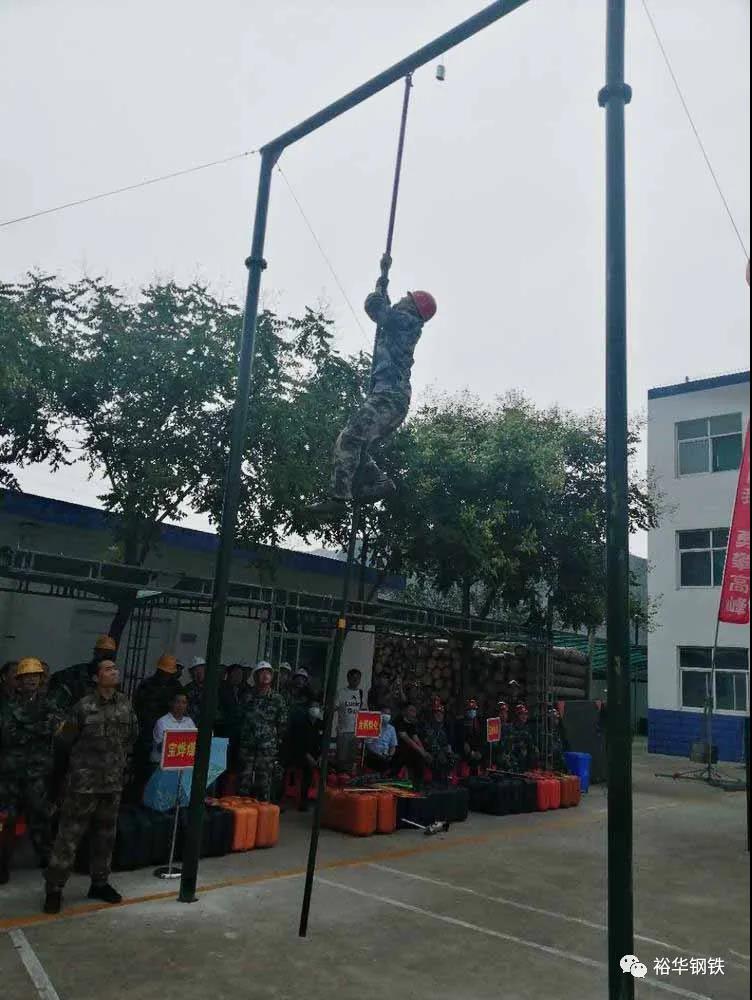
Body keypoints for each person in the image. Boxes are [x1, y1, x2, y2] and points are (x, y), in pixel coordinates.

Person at [308, 266, 437, 516]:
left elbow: (375, 308)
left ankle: (338, 499)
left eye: (406, 299)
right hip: (392, 399)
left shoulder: (404, 321)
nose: (400, 300)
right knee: (358, 443)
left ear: (412, 307)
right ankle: (379, 481)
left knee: (349, 438)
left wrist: (379, 287)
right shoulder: (403, 323)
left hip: (388, 397)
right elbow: (384, 310)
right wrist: (382, 279)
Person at [44, 658, 138, 914]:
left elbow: (132, 736)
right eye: (108, 669)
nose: (114, 671)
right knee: (68, 838)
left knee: (105, 837)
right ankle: (54, 889)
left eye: (115, 668)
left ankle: (100, 883)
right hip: (82, 786)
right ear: (96, 678)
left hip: (112, 784)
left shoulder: (125, 704)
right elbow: (64, 742)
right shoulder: (83, 707)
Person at [0, 657, 62, 884]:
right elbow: (7, 734)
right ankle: (2, 864)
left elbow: (55, 728)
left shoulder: (49, 704)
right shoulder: (7, 705)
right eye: (26, 677)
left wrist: (26, 727)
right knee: (6, 820)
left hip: (37, 773)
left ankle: (48, 860)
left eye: (35, 676)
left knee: (40, 816)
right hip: (10, 773)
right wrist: (37, 729)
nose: (31, 680)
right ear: (18, 681)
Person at [237, 661, 287, 802]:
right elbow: (239, 718)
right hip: (248, 746)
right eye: (262, 672)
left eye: (268, 672)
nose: (265, 675)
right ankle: (244, 810)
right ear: (255, 676)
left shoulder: (277, 699)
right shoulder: (247, 697)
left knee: (264, 782)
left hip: (267, 748)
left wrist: (275, 740)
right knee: (244, 781)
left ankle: (263, 809)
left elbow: (282, 723)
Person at [133, 654, 183, 781]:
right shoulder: (147, 685)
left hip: (168, 734)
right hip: (147, 733)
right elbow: (138, 708)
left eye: (169, 673)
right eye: (164, 672)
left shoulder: (176, 687)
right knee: (143, 771)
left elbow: (181, 709)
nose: (166, 676)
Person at [48, 634, 117, 711]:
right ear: (96, 653)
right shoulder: (78, 671)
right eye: (103, 653)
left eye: (109, 655)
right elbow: (54, 679)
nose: (106, 657)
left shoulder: (113, 680)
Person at [286, 701, 324, 811]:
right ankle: (302, 801)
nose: (315, 709)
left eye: (317, 707)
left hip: (316, 756)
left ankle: (317, 800)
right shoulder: (301, 723)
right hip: (302, 755)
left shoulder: (321, 724)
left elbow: (323, 742)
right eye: (313, 706)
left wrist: (320, 756)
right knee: (305, 773)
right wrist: (308, 757)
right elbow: (298, 743)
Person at [391, 703, 431, 789]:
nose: (413, 713)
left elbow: (416, 739)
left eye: (414, 711)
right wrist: (422, 752)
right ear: (405, 711)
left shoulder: (411, 724)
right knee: (415, 754)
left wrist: (424, 752)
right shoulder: (399, 721)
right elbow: (408, 740)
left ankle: (418, 784)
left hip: (408, 750)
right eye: (411, 710)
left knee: (421, 757)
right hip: (396, 749)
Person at [151, 692, 197, 765]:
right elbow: (161, 747)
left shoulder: (189, 721)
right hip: (160, 764)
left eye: (184, 702)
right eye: (177, 702)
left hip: (182, 763)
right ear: (171, 703)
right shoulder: (162, 722)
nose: (180, 705)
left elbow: (194, 743)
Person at [420, 701, 457, 785]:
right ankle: (435, 781)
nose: (439, 715)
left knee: (452, 757)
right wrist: (438, 751)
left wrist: (449, 749)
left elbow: (449, 742)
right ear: (432, 714)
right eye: (436, 713)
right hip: (429, 751)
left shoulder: (446, 726)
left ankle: (446, 779)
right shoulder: (426, 726)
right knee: (439, 758)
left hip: (443, 751)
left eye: (441, 713)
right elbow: (426, 742)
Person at [335, 668, 364, 772]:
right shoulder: (341, 692)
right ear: (348, 678)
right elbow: (334, 707)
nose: (356, 680)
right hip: (343, 730)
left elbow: (363, 710)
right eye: (353, 678)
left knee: (352, 758)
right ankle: (340, 775)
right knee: (341, 758)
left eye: (358, 678)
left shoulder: (361, 693)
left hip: (356, 731)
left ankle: (349, 777)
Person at [454, 698, 484, 774]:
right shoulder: (460, 722)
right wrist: (470, 752)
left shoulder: (481, 722)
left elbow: (483, 738)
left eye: (473, 709)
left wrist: (480, 751)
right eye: (469, 710)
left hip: (478, 751)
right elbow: (460, 739)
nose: (471, 711)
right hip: (465, 751)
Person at [508, 702, 539, 774]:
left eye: (525, 714)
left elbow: (531, 746)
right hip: (511, 763)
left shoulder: (527, 730)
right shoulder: (509, 728)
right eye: (521, 714)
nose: (524, 716)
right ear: (516, 716)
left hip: (523, 763)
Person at [184, 657, 206, 725]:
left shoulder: (212, 688)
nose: (199, 672)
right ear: (191, 673)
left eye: (201, 669)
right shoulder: (187, 689)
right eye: (196, 670)